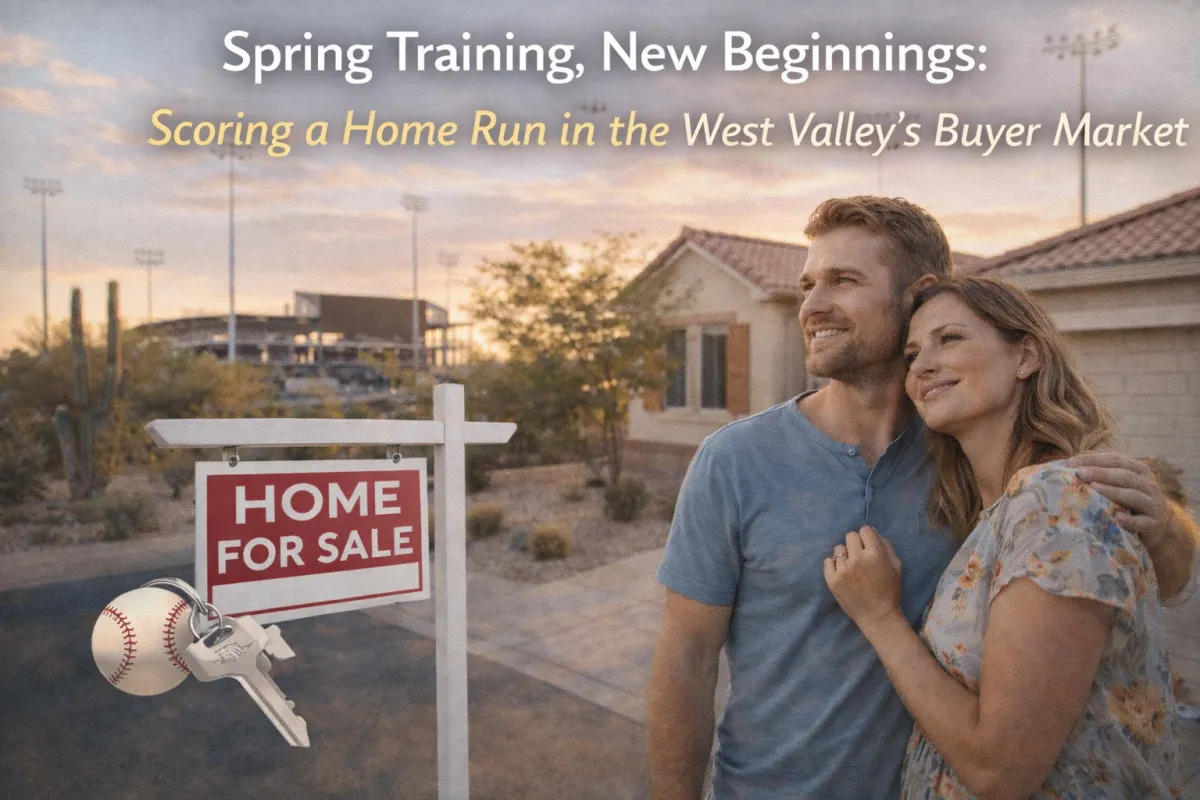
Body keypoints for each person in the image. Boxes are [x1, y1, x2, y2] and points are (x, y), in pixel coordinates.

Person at [645, 196, 1199, 800]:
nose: (812, 306)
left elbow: (1138, 582)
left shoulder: (966, 453)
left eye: (843, 281)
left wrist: (1166, 526)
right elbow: (687, 659)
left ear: (918, 292)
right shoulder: (733, 460)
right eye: (808, 285)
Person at [824, 276, 1186, 797]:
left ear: (1026, 357)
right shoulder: (1003, 511)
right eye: (911, 353)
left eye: (949, 339)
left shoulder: (1055, 501)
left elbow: (1001, 771)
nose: (922, 365)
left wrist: (879, 618)